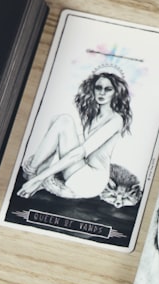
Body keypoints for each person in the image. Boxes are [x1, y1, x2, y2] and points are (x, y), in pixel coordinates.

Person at [17, 68, 132, 200]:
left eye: (108, 89)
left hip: (91, 179)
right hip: (80, 169)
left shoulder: (116, 120)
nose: (101, 93)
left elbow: (78, 153)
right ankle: (33, 173)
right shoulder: (93, 116)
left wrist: (39, 179)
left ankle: (32, 174)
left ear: (116, 92)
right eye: (98, 88)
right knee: (57, 120)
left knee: (64, 121)